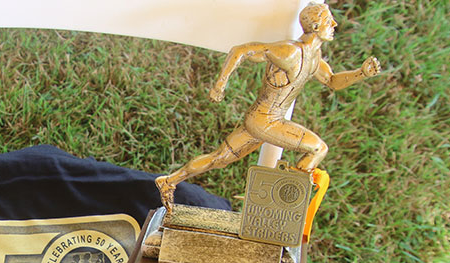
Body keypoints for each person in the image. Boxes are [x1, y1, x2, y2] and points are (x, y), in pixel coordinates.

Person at [155, 1, 380, 214]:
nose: (334, 25)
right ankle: (279, 204)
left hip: (262, 121)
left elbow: (331, 80)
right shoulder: (290, 52)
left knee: (219, 158)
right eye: (329, 21)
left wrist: (361, 73)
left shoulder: (313, 58)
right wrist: (220, 84)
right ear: (314, 26)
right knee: (318, 149)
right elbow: (241, 51)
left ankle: (169, 180)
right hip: (267, 121)